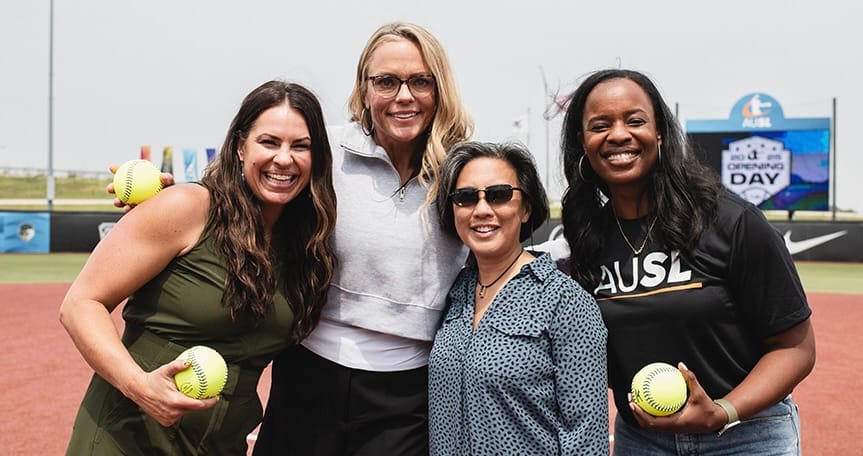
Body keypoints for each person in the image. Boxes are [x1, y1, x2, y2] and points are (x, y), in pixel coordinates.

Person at [60, 80, 337, 455]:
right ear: (240, 147)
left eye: (300, 146)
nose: (284, 159)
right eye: (269, 142)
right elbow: (80, 304)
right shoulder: (189, 207)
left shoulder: (307, 245)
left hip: (219, 445)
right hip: (129, 436)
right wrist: (140, 386)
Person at [558, 68, 816, 455]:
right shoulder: (585, 241)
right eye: (600, 125)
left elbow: (796, 348)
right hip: (643, 440)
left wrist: (723, 411)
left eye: (635, 120)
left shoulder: (729, 220)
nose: (618, 135)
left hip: (745, 434)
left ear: (659, 132)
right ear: (583, 142)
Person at [251, 22, 474, 455]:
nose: (403, 96)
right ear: (364, 88)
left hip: (410, 391)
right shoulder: (322, 150)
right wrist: (173, 198)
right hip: (309, 374)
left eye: (420, 81)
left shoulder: (463, 168)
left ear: (439, 88)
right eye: (386, 82)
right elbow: (240, 189)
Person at [429, 141, 609, 455]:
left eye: (498, 195)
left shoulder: (566, 302)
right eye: (466, 197)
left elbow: (586, 435)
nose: (482, 209)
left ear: (526, 208)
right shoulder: (455, 293)